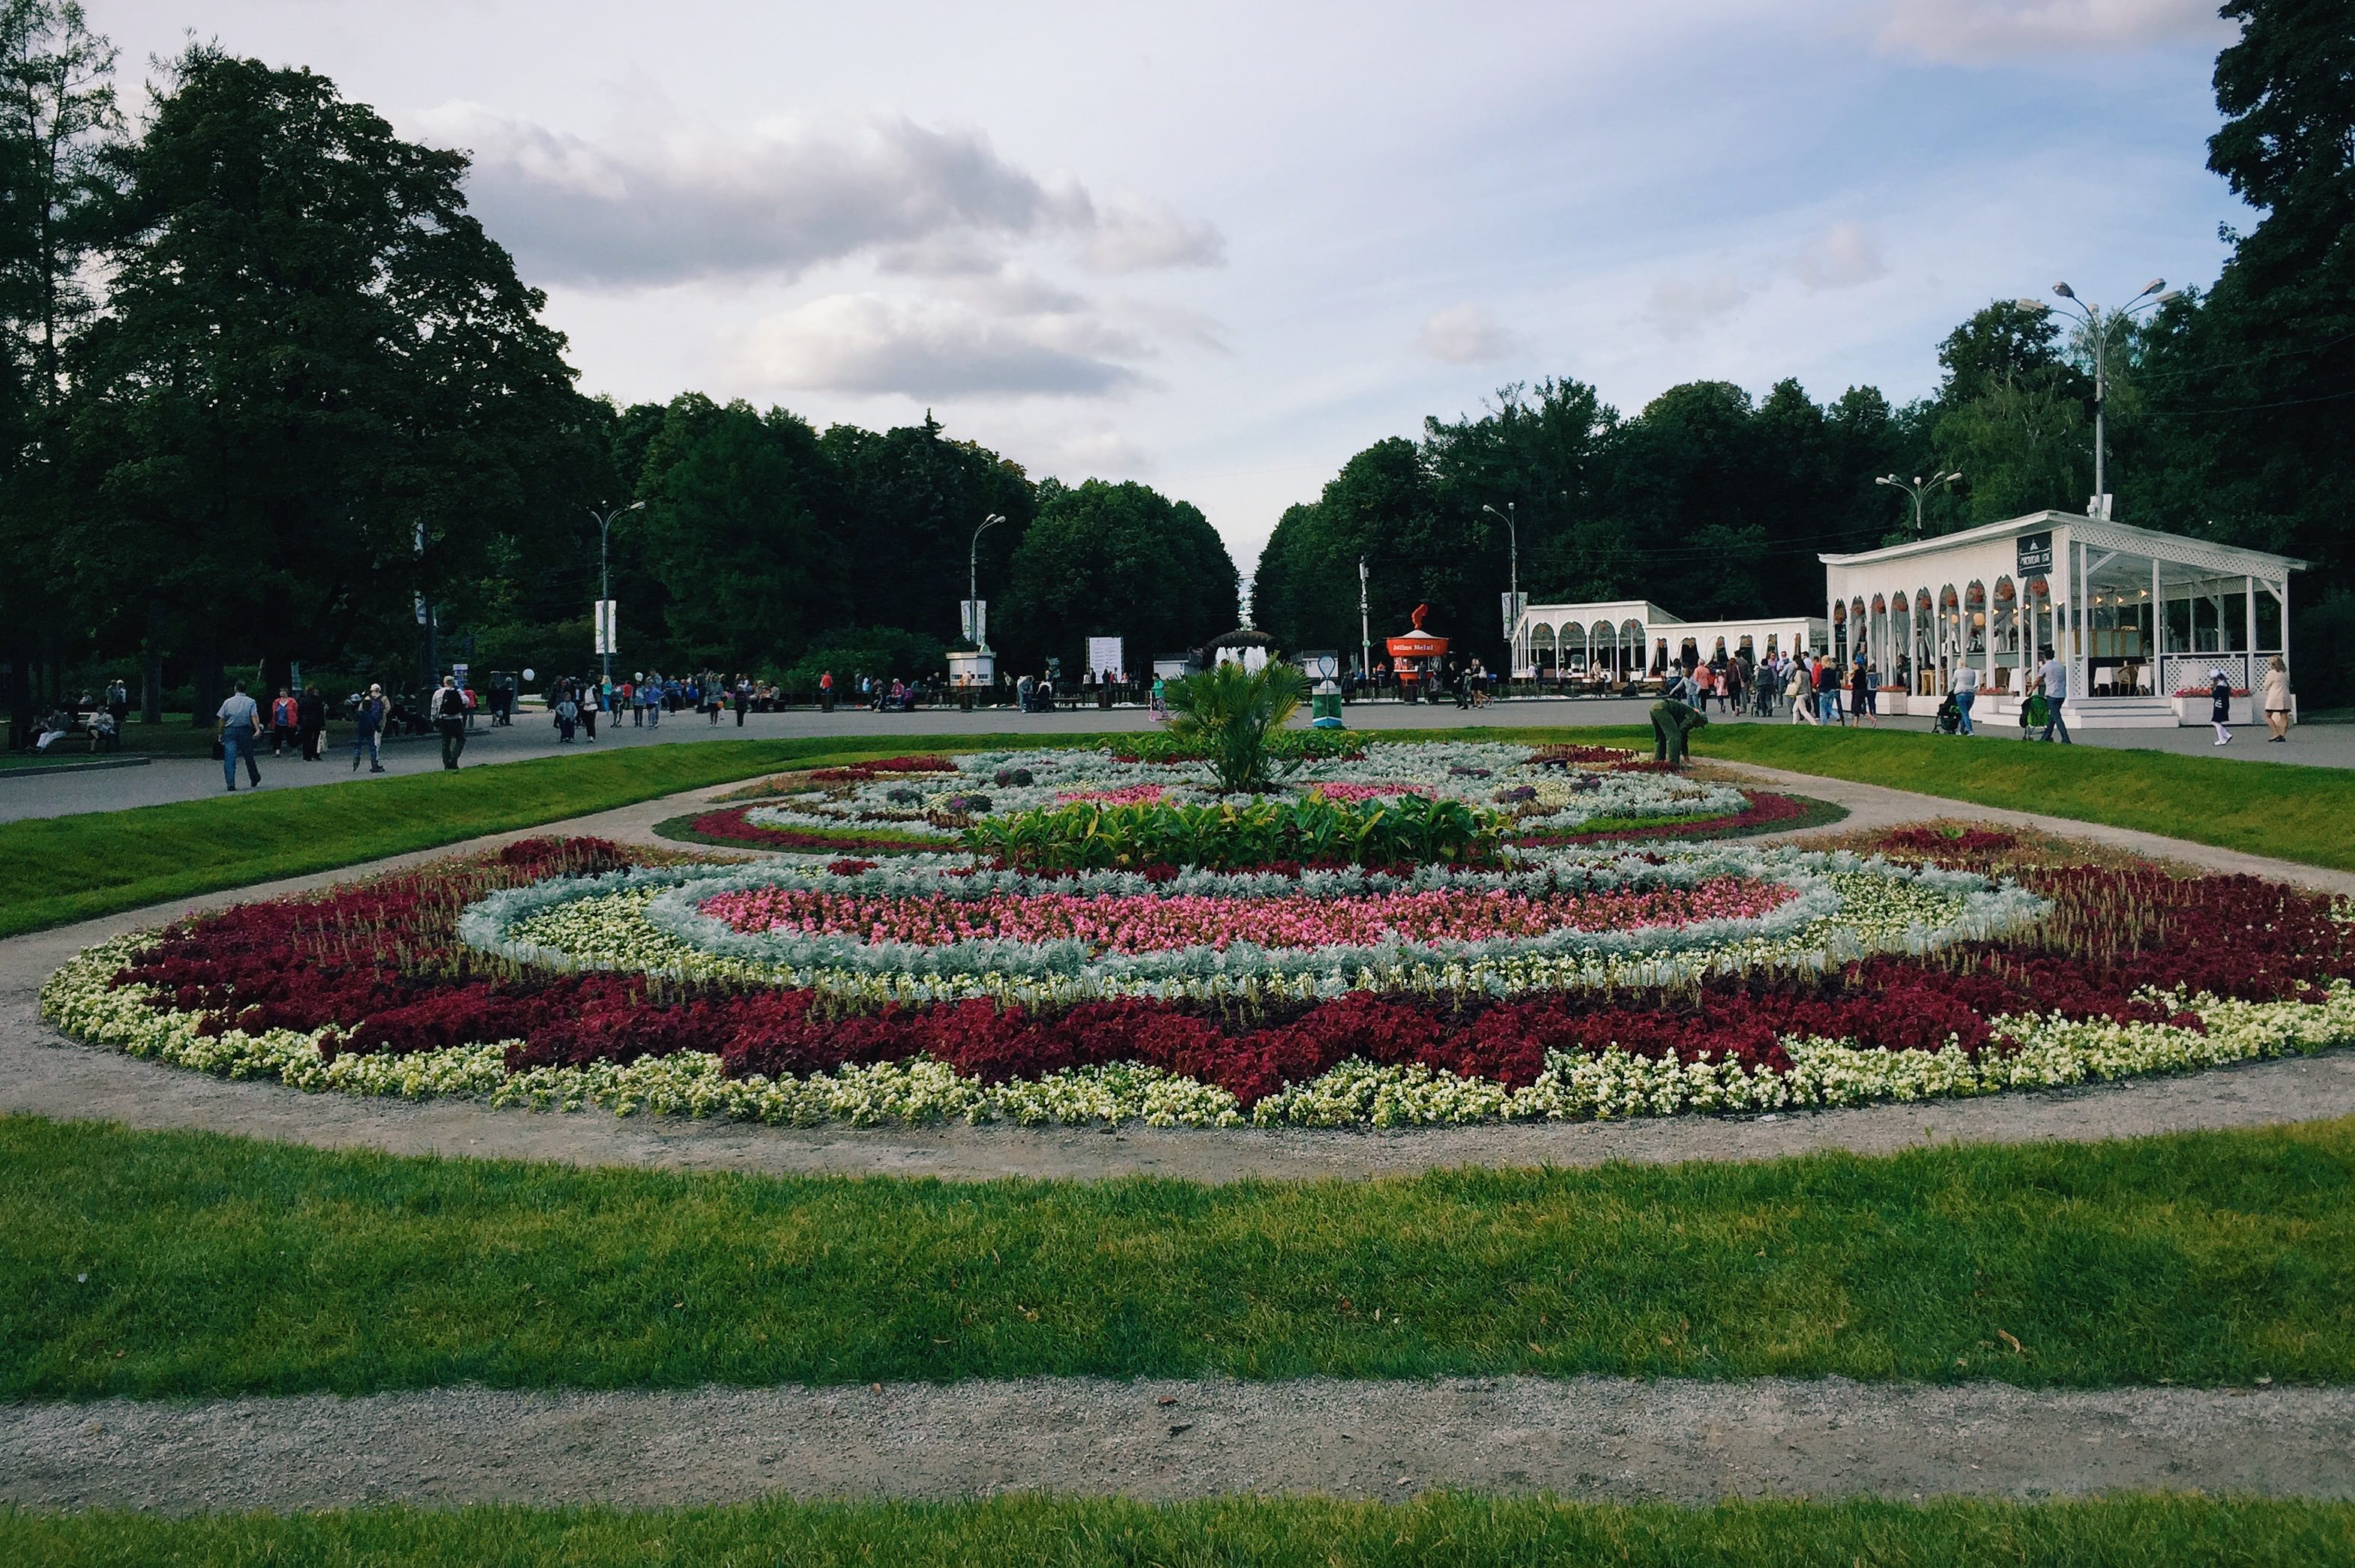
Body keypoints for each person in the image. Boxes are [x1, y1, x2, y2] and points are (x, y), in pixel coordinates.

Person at [217, 679, 263, 792]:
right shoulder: (251, 702)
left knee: (230, 757)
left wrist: (220, 733)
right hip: (245, 730)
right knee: (248, 756)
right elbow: (253, 716)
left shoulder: (228, 702)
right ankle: (254, 777)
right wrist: (257, 729)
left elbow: (222, 719)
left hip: (230, 730)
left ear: (235, 688)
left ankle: (230, 783)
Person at [2036, 645, 2072, 744]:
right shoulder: (2060, 666)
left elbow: (2038, 680)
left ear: (2045, 657)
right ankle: (2046, 737)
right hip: (2061, 694)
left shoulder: (2044, 667)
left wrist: (2031, 689)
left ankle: (2066, 738)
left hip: (2051, 694)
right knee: (2052, 716)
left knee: (2057, 717)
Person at [433, 675, 468, 770]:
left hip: (444, 720)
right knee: (460, 739)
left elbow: (434, 708)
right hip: (456, 719)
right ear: (453, 683)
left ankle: (446, 763)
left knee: (446, 742)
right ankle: (454, 759)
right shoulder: (458, 691)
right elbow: (466, 701)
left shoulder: (438, 693)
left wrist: (434, 721)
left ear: (444, 683)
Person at [352, 684, 388, 772]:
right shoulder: (383, 698)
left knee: (358, 745)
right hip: (370, 731)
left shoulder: (366, 699)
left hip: (361, 730)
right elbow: (388, 709)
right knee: (372, 747)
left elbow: (356, 717)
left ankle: (356, 757)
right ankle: (374, 764)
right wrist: (378, 727)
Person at [2264, 656, 2291, 742]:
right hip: (2285, 696)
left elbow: (2266, 686)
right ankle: (2282, 735)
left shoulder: (2271, 673)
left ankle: (2275, 733)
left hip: (2275, 697)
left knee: (2267, 716)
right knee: (2284, 717)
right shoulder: (2286, 673)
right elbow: (2288, 683)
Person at [297, 685, 328, 760]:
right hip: (316, 722)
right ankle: (315, 753)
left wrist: (300, 721)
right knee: (315, 739)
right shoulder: (317, 700)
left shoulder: (302, 700)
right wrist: (323, 723)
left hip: (305, 721)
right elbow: (320, 712)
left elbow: (299, 712)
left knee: (306, 739)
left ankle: (306, 756)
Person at [1952, 661, 1979, 736]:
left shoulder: (1957, 672)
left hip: (1961, 693)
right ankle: (1961, 730)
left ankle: (1970, 730)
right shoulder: (1972, 672)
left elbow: (1953, 681)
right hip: (1970, 693)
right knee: (1965, 713)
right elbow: (1973, 682)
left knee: (1964, 713)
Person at [270, 687, 299, 756]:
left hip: (289, 723)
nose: (282, 692)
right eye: (281, 691)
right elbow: (274, 712)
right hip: (278, 722)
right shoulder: (276, 701)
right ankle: (277, 752)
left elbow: (296, 711)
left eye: (284, 691)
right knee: (277, 738)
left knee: (291, 737)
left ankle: (294, 749)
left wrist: (295, 720)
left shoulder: (292, 701)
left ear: (287, 692)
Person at [2210, 666, 2234, 746]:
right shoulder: (2224, 686)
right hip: (2222, 706)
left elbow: (2215, 696)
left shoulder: (2220, 687)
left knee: (2216, 722)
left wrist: (2213, 691)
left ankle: (2223, 738)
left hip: (2220, 706)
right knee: (2217, 722)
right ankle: (2224, 737)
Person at [1849, 659, 1877, 728]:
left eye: (1853, 665)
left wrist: (1851, 678)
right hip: (1860, 690)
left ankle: (1871, 717)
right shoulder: (1863, 672)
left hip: (1859, 690)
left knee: (1857, 707)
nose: (1852, 666)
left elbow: (1855, 681)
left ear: (1857, 665)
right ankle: (1855, 723)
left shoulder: (1858, 672)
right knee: (1856, 707)